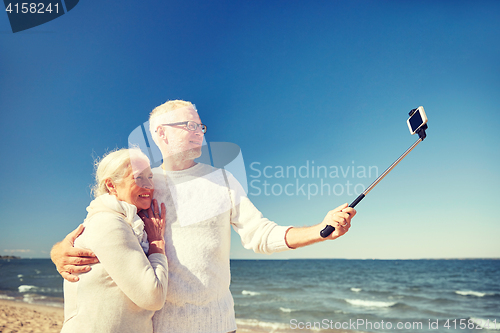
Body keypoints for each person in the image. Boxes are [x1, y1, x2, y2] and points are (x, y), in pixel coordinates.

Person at [52, 100, 356, 333]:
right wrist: (58, 250)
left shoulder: (222, 180)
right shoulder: (143, 184)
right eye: (189, 126)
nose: (199, 133)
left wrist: (321, 229)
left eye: (200, 127)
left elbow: (260, 234)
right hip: (160, 326)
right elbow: (102, 223)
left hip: (219, 324)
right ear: (160, 134)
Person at [59, 148, 168, 333]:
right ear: (111, 185)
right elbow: (153, 297)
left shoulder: (128, 222)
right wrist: (157, 243)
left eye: (150, 177)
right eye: (138, 177)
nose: (149, 185)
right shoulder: (108, 222)